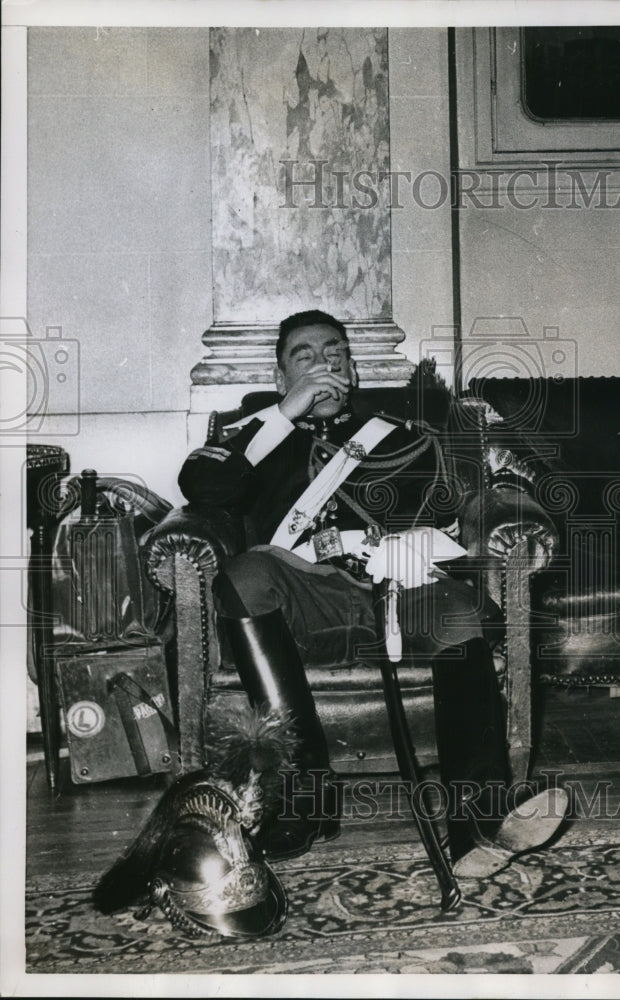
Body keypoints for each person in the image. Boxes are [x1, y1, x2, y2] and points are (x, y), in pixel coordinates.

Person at [178, 308, 568, 879]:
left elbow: (447, 515)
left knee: (457, 608)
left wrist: (410, 548)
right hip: (303, 596)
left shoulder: (403, 436)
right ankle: (304, 797)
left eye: (335, 353)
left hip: (397, 589)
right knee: (245, 574)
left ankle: (479, 817)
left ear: (353, 371)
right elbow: (202, 489)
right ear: (281, 374)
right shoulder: (252, 436)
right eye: (303, 356)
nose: (323, 365)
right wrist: (287, 413)